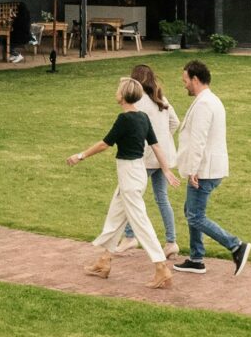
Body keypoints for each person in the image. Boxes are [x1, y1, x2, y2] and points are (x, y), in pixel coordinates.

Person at [67, 77, 179, 288]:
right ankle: (104, 261)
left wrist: (80, 156)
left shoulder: (124, 119)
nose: (115, 91)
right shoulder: (143, 117)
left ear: (122, 96)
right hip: (136, 172)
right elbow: (156, 146)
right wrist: (165, 169)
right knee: (115, 217)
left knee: (140, 222)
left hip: (130, 175)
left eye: (118, 89)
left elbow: (104, 144)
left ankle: (161, 267)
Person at [173, 58, 250, 275]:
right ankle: (196, 259)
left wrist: (193, 170)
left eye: (185, 80)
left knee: (195, 215)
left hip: (204, 170)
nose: (184, 84)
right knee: (191, 210)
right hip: (209, 168)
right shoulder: (210, 100)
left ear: (195, 79)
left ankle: (235, 246)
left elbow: (199, 139)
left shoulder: (205, 104)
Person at [118, 62, 180, 259]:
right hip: (165, 158)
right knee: (162, 198)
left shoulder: (137, 102)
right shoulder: (161, 98)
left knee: (131, 196)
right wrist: (163, 138)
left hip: (145, 158)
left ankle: (129, 236)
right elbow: (175, 122)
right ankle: (171, 242)